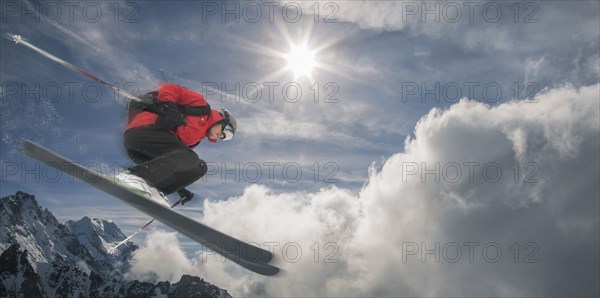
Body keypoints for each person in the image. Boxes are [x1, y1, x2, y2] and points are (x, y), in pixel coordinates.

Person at [116, 83, 236, 205]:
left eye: (225, 138)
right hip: (144, 132)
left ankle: (158, 190)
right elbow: (170, 89)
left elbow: (176, 163)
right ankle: (135, 177)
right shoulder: (201, 106)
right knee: (190, 157)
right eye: (225, 131)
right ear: (221, 119)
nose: (221, 136)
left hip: (145, 153)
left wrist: (180, 188)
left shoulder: (197, 138)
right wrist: (170, 108)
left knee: (199, 167)